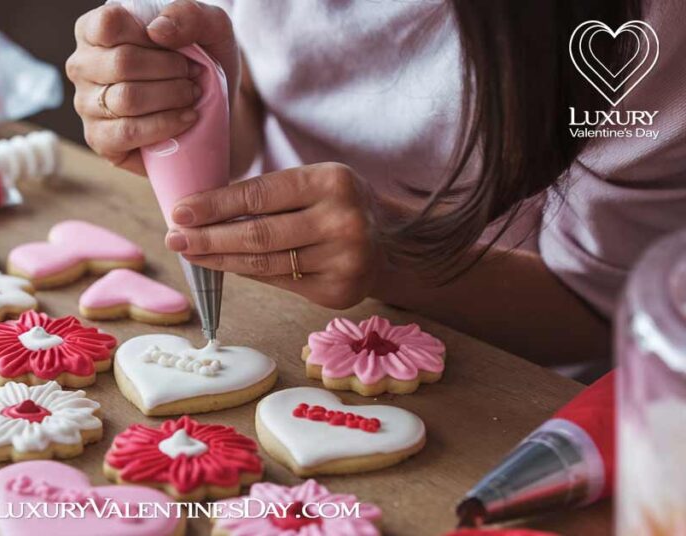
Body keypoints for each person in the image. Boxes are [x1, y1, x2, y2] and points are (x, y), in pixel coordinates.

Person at [65, 0, 684, 367]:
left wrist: (399, 260)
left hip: (512, 373)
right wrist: (194, 109)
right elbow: (258, 96)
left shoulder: (648, 27)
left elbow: (610, 309)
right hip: (276, 309)